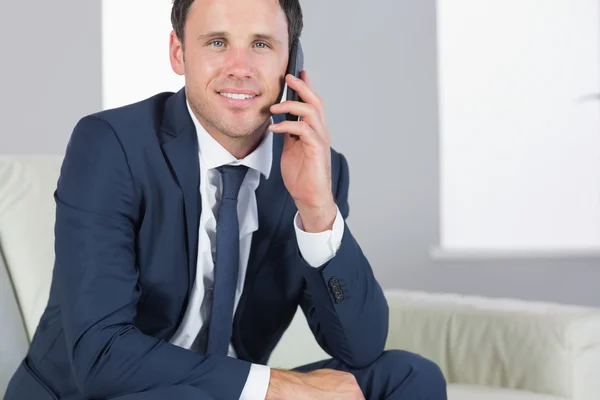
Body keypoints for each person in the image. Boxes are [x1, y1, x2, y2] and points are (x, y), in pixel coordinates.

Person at [4, 0, 447, 399]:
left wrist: (317, 210)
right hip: (102, 394)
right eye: (217, 42)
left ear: (290, 60)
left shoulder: (316, 167)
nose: (240, 67)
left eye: (261, 44)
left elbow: (362, 346)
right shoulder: (110, 146)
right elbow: (101, 355)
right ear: (179, 53)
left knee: (410, 376)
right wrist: (273, 386)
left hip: (229, 392)